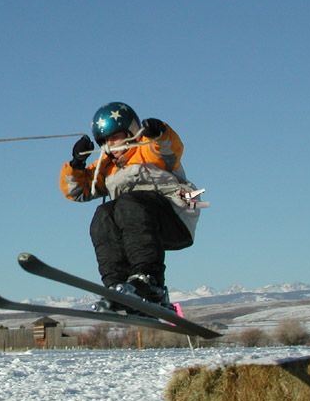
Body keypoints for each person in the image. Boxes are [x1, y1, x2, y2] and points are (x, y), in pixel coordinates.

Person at [59, 101, 205, 311]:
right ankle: (117, 287)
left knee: (129, 204)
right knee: (103, 214)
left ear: (132, 132)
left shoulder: (149, 150)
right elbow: (77, 191)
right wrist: (76, 164)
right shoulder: (108, 168)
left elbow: (169, 148)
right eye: (105, 141)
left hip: (174, 217)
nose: (111, 145)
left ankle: (149, 281)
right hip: (139, 227)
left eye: (115, 137)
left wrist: (159, 132)